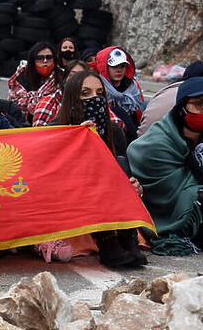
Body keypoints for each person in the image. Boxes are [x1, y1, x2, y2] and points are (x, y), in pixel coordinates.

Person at [55, 70, 145, 267]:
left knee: (121, 165)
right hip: (70, 200)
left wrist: (133, 186)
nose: (94, 99)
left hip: (107, 198)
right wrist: (79, 139)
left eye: (99, 94)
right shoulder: (56, 130)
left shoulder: (114, 131)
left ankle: (126, 235)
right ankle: (107, 239)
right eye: (85, 94)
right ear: (72, 98)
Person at [128, 76, 203, 253]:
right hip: (173, 216)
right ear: (182, 108)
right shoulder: (157, 145)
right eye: (198, 104)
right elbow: (176, 196)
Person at [96, 46, 144, 141]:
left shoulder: (132, 86)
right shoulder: (98, 86)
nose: (119, 70)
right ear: (105, 67)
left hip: (134, 135)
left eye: (122, 66)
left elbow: (139, 115)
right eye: (114, 66)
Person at [8, 42, 63, 123]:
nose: (45, 61)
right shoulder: (20, 79)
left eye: (49, 57)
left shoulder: (62, 77)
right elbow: (12, 105)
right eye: (40, 58)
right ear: (33, 60)